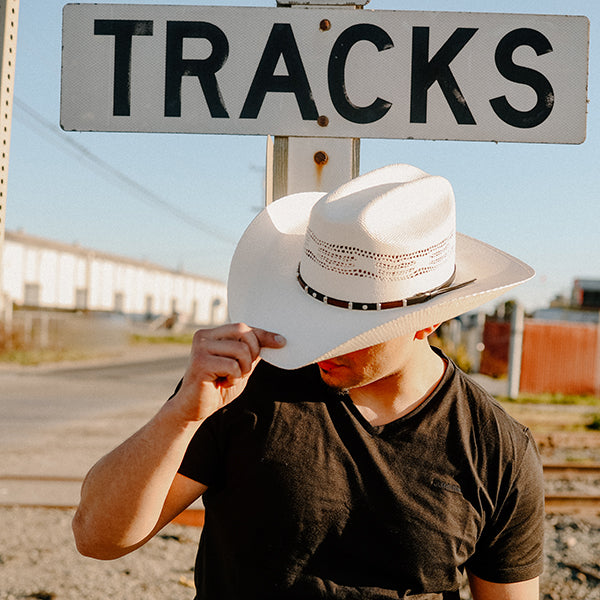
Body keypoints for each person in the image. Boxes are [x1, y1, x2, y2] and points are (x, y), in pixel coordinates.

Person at [72, 164, 544, 600]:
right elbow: (96, 537)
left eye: (353, 329)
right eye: (316, 312)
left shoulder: (496, 448)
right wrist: (180, 417)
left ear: (427, 321)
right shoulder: (242, 386)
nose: (321, 342)